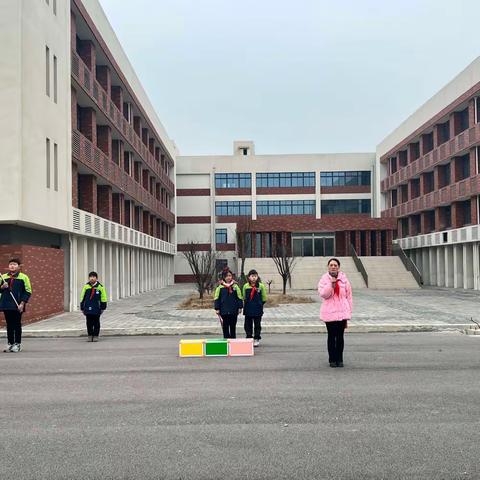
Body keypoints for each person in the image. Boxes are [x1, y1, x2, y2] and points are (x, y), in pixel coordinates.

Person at [317, 258, 352, 368]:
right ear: (328, 267)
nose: (333, 267)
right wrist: (331, 285)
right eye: (331, 265)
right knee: (332, 336)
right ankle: (332, 359)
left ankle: (340, 359)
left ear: (338, 267)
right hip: (330, 313)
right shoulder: (324, 279)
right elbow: (323, 294)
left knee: (340, 337)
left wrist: (349, 311)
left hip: (342, 313)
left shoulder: (344, 280)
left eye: (335, 265)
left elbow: (349, 296)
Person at [0, 258, 32, 353]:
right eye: (10, 264)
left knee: (17, 324)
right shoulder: (3, 277)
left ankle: (17, 344)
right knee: (9, 325)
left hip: (18, 305)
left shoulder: (23, 277)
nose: (12, 266)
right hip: (6, 304)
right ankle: (10, 343)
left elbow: (28, 291)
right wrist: (2, 287)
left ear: (18, 266)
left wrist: (22, 303)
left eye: (14, 264)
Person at [213, 268, 243, 339]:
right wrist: (217, 308)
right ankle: (226, 341)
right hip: (224, 311)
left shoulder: (235, 286)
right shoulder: (220, 287)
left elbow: (239, 297)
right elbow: (216, 298)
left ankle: (233, 342)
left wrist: (240, 307)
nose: (228, 277)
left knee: (233, 327)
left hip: (233, 310)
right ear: (224, 277)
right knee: (225, 327)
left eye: (230, 275)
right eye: (226, 276)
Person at [242, 269, 267, 347]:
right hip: (248, 308)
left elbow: (264, 298)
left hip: (257, 309)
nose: (254, 278)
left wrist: (260, 304)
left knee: (257, 324)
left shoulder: (261, 286)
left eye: (255, 276)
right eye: (252, 276)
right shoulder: (246, 286)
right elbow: (244, 296)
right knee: (247, 324)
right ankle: (249, 337)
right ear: (249, 277)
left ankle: (256, 338)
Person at [80, 271, 107, 342]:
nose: (92, 278)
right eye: (90, 277)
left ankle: (95, 335)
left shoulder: (100, 287)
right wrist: (82, 307)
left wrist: (103, 307)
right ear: (89, 278)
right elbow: (82, 297)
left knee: (96, 322)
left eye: (93, 277)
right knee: (88, 322)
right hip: (88, 307)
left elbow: (103, 297)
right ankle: (90, 335)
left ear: (96, 278)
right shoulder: (86, 287)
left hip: (96, 308)